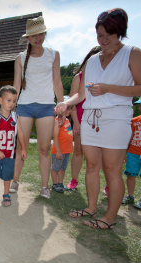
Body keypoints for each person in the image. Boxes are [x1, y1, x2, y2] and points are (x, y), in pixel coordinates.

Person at [55, 8, 141, 229]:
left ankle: (109, 219)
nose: (103, 40)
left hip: (116, 119)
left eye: (108, 36)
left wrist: (109, 88)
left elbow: (139, 88)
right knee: (91, 166)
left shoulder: (132, 53)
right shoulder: (92, 60)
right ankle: (91, 208)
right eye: (99, 35)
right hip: (91, 120)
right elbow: (81, 94)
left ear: (119, 33)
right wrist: (68, 102)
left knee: (112, 170)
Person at [9, 16, 64, 199]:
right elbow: (16, 85)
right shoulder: (20, 58)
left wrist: (62, 104)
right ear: (28, 38)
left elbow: (57, 81)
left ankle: (44, 187)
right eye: (33, 35)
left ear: (45, 33)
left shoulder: (53, 54)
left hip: (46, 106)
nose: (37, 38)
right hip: (24, 106)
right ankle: (15, 180)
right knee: (19, 146)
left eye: (40, 34)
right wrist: (10, 106)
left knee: (44, 149)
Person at [66, 47, 103, 190]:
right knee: (79, 150)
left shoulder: (105, 78)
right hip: (80, 119)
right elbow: (72, 102)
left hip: (101, 121)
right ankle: (74, 180)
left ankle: (106, 187)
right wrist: (75, 122)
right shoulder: (79, 77)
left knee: (101, 155)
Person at [0, 85, 27, 208]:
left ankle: (6, 194)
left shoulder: (16, 117)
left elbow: (20, 133)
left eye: (14, 101)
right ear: (0, 100)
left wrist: (24, 148)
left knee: (7, 174)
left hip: (10, 152)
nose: (12, 103)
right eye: (8, 100)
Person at [121, 97, 141, 208]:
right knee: (130, 175)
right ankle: (130, 196)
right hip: (133, 152)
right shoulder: (134, 121)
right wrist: (125, 152)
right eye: (140, 105)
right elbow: (129, 137)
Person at [51, 105, 74, 193]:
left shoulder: (67, 120)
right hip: (59, 151)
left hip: (66, 150)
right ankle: (55, 184)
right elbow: (55, 137)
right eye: (67, 109)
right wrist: (58, 151)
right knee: (55, 168)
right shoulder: (57, 121)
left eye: (71, 108)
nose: (70, 111)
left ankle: (60, 183)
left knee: (62, 168)